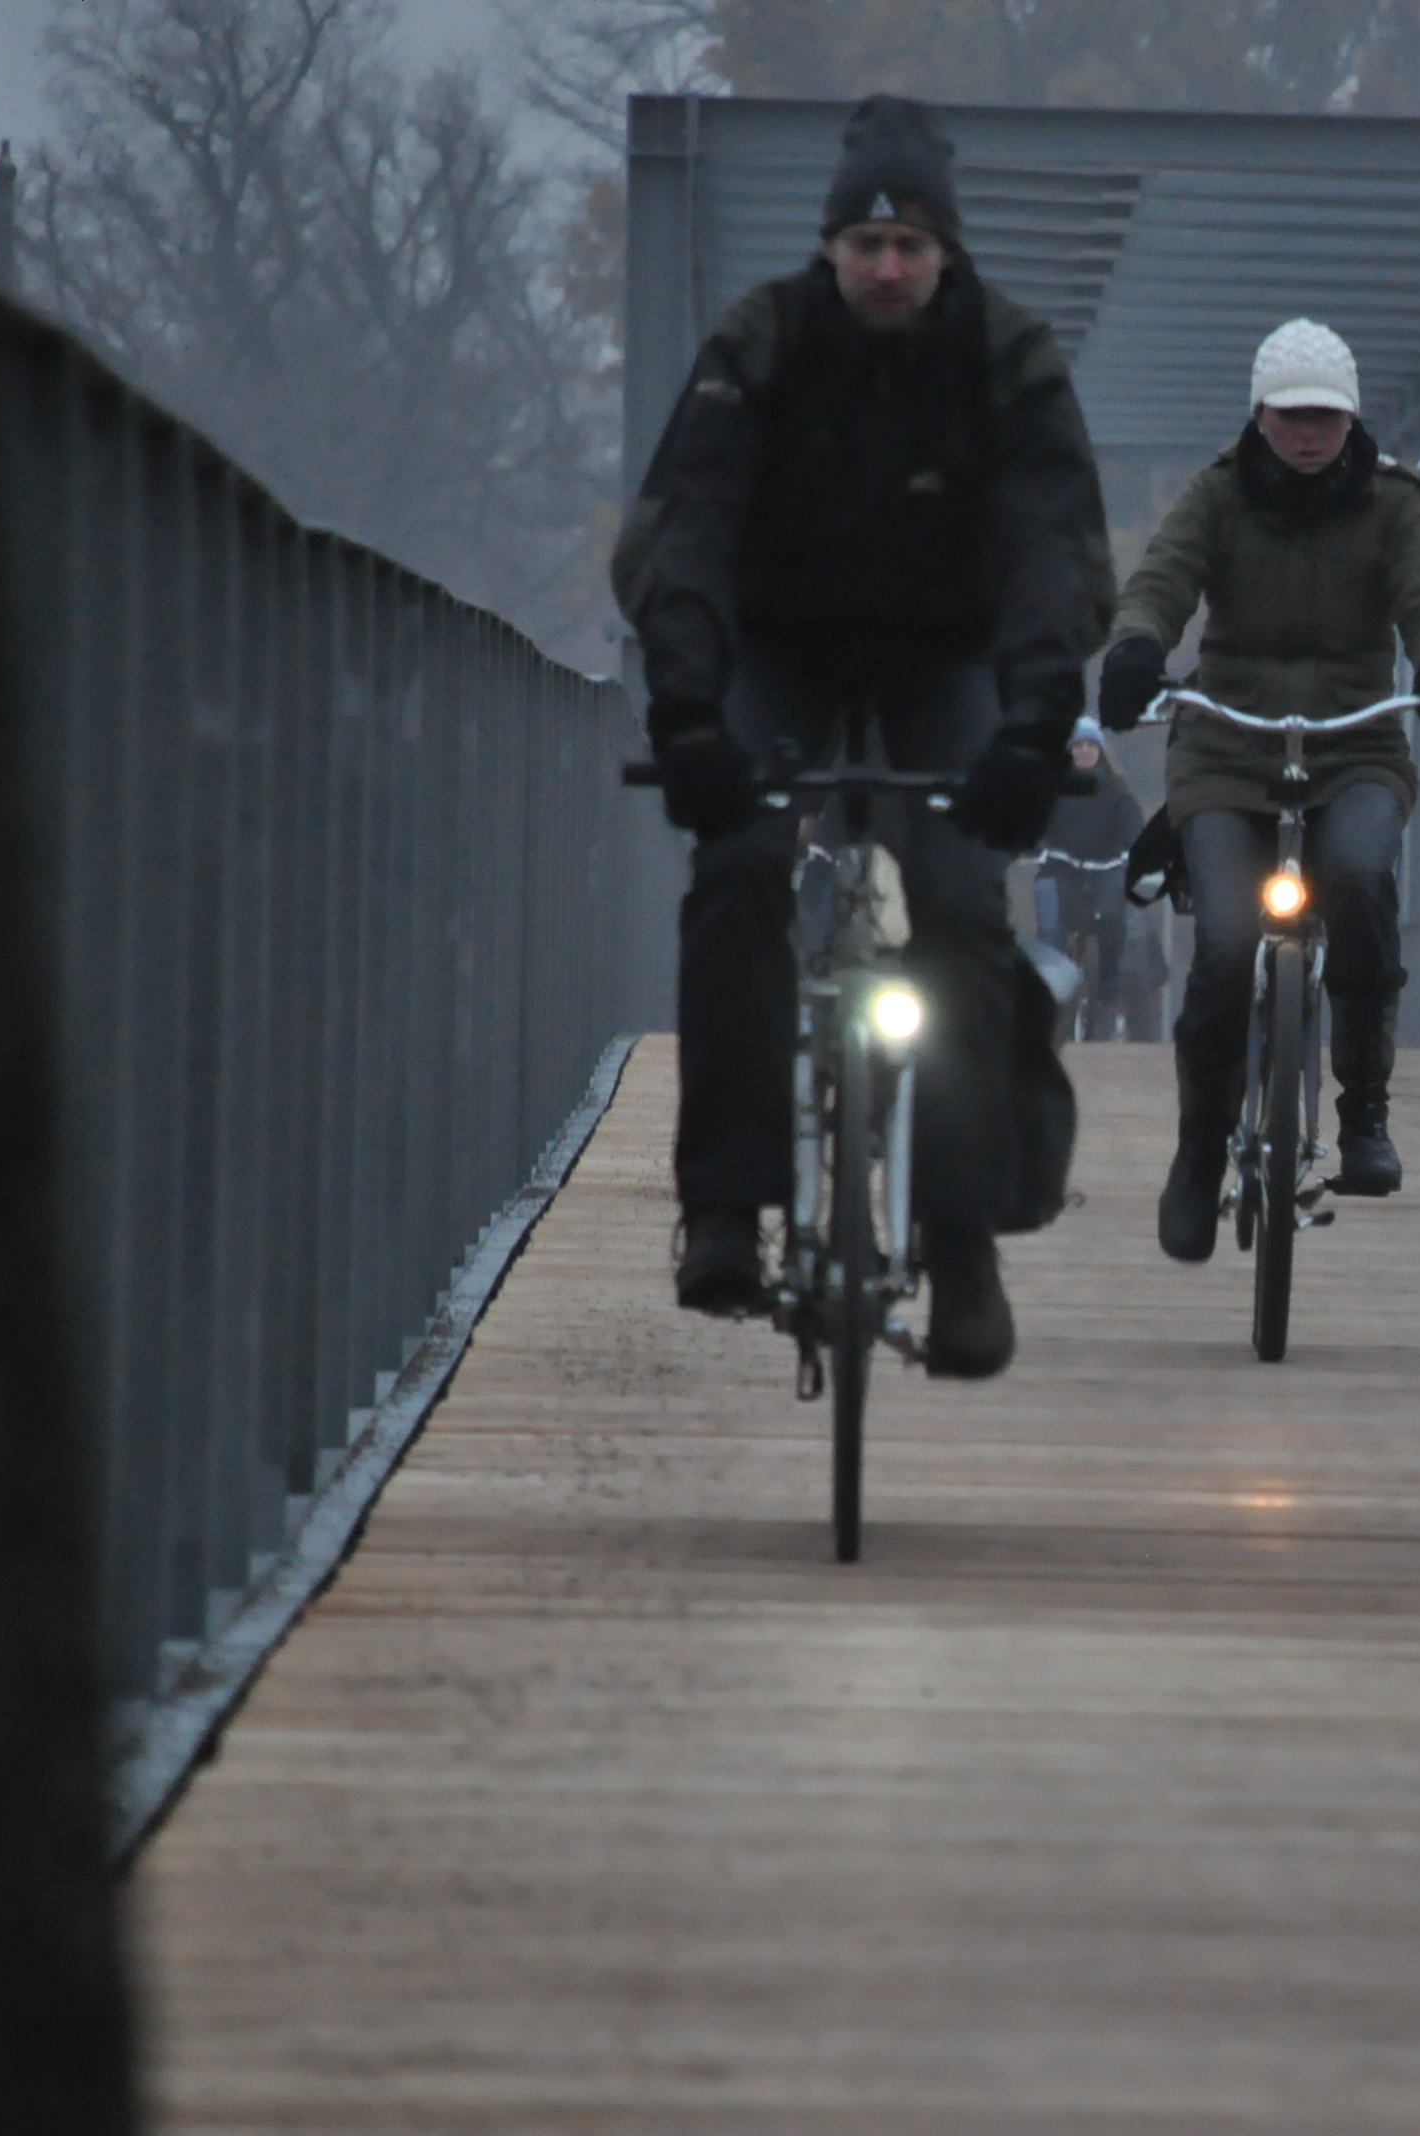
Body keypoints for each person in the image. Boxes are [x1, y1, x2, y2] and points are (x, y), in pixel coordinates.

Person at [610, 96, 1117, 1376]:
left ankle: (960, 1242)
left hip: (942, 659)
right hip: (778, 653)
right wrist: (686, 714)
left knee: (956, 904)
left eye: (911, 247)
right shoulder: (762, 341)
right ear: (830, 249)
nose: (887, 268)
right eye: (864, 246)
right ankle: (724, 1205)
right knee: (734, 872)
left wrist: (1033, 729)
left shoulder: (1008, 357)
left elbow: (1056, 553)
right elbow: (687, 530)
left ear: (946, 253)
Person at [1096, 319, 1420, 1259]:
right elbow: (1161, 579)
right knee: (1227, 944)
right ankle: (1197, 1156)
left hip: (1354, 743)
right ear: (1260, 417)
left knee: (1357, 873)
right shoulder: (1217, 497)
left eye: (1327, 416)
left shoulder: (1395, 506)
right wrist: (1139, 645)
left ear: (1351, 420)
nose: (1311, 433)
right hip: (1230, 745)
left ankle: (1363, 1115)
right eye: (1292, 416)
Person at [1034, 717, 1145, 1037]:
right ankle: (1050, 996)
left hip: (1106, 870)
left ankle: (1108, 990)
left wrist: (1136, 854)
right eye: (1078, 746)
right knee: (1050, 925)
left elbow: (1134, 826)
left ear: (1100, 749)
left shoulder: (1117, 788)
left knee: (1115, 922)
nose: (1084, 751)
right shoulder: (1053, 787)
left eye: (1090, 745)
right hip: (1060, 870)